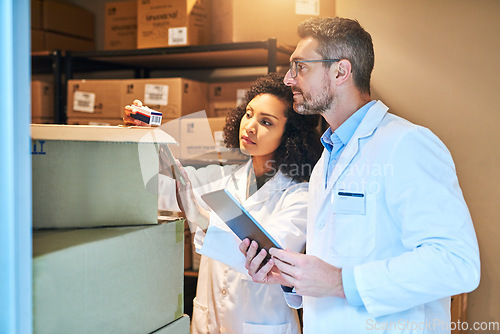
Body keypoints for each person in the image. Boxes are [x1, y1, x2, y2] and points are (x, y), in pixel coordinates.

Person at [240, 17, 481, 334]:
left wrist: (339, 282)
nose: (288, 79)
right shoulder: (327, 159)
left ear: (340, 71)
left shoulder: (406, 144)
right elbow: (334, 264)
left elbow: (456, 263)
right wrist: (292, 278)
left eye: (300, 67)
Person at [124, 73, 322, 334]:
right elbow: (165, 183)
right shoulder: (226, 179)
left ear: (290, 135)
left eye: (266, 122)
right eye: (249, 114)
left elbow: (265, 258)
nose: (250, 126)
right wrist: (147, 136)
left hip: (261, 326)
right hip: (209, 323)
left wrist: (201, 219)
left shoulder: (300, 196)